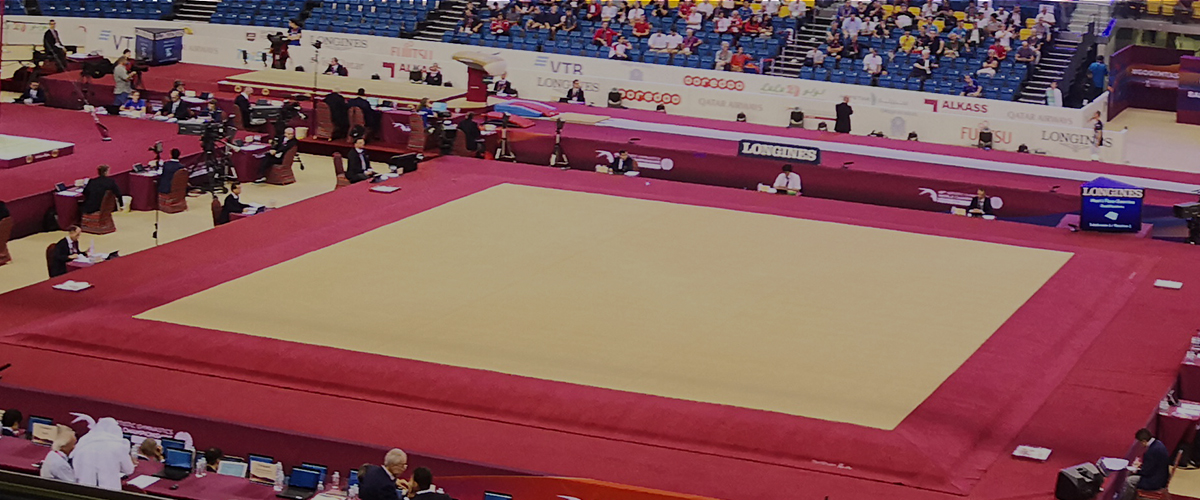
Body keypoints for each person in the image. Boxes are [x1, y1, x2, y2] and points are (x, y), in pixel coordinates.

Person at [72, 417, 136, 491]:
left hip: (84, 488)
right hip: (109, 489)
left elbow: (76, 468)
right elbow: (128, 470)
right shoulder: (118, 446)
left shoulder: (83, 444)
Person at [1121, 429, 1171, 500]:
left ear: (1144, 441)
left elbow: (1146, 472)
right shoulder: (1158, 443)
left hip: (1155, 481)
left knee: (1130, 480)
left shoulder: (1151, 451)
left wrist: (1136, 470)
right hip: (1162, 476)